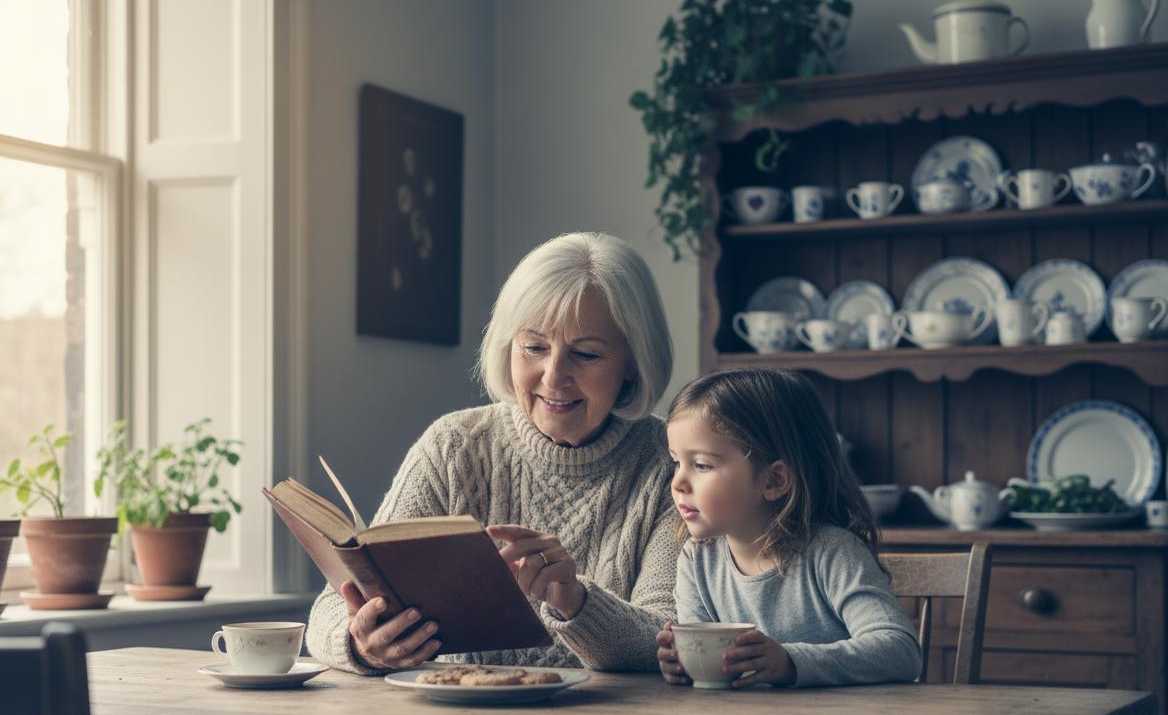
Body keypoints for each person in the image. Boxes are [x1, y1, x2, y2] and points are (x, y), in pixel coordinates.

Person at [306, 232, 678, 673]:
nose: (553, 376)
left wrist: (577, 602)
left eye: (586, 354)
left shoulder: (669, 462)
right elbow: (332, 607)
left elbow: (670, 641)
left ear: (634, 361)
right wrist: (361, 644)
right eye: (534, 347)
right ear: (508, 346)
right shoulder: (454, 447)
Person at [656, 368, 921, 688]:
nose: (679, 483)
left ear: (774, 480)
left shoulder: (833, 553)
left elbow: (901, 651)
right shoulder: (697, 560)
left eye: (701, 465)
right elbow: (714, 668)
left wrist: (791, 662)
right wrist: (685, 663)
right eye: (676, 462)